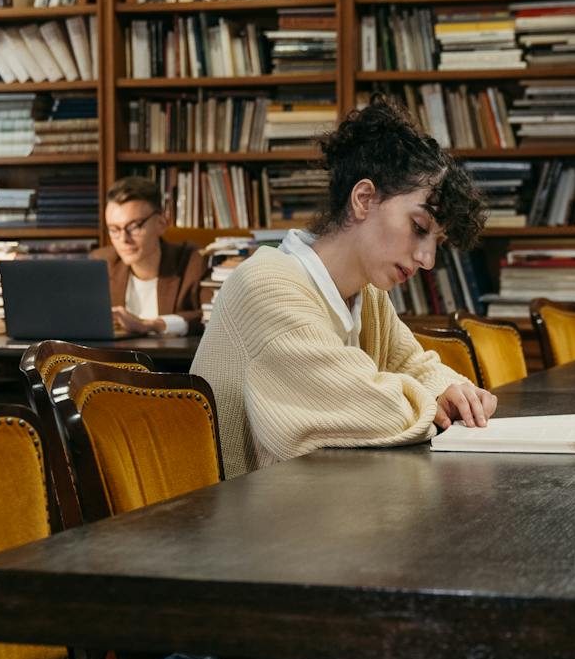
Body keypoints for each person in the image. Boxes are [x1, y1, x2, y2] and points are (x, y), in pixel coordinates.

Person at [192, 99, 497, 479]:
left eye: (437, 242)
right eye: (419, 227)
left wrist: (448, 390)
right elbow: (370, 408)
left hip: (311, 507)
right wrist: (431, 397)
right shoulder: (266, 285)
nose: (428, 260)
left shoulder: (369, 295)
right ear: (364, 199)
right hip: (243, 526)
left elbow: (413, 367)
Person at [92, 177, 206, 336]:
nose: (124, 239)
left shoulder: (194, 262)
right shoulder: (100, 263)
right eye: (114, 229)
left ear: (161, 223)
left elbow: (210, 318)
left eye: (134, 226)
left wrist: (150, 325)